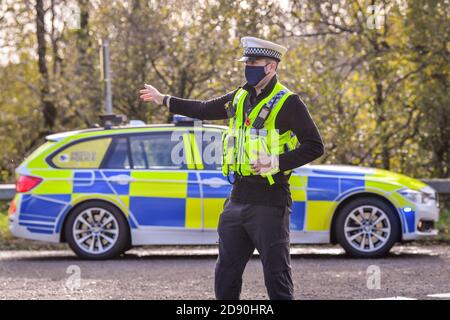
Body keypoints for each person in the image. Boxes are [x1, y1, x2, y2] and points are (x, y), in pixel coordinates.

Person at [139, 36, 324, 300]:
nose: (248, 66)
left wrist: (276, 163)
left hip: (270, 202)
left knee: (276, 274)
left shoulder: (288, 102)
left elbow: (315, 146)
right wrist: (163, 99)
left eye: (254, 62)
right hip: (237, 199)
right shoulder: (239, 97)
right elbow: (203, 109)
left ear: (271, 67)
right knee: (225, 271)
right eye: (246, 61)